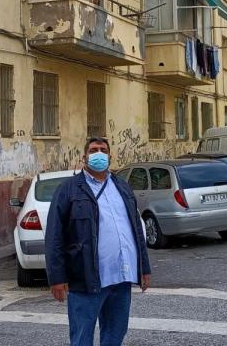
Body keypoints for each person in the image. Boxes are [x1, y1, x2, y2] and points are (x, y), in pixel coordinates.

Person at [45, 137, 151, 346]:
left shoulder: (122, 187)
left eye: (103, 150)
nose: (99, 154)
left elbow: (136, 229)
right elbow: (55, 236)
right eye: (94, 150)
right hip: (85, 279)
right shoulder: (69, 189)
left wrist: (144, 269)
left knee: (115, 336)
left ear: (110, 156)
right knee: (82, 338)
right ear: (84, 157)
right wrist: (56, 277)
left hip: (121, 279)